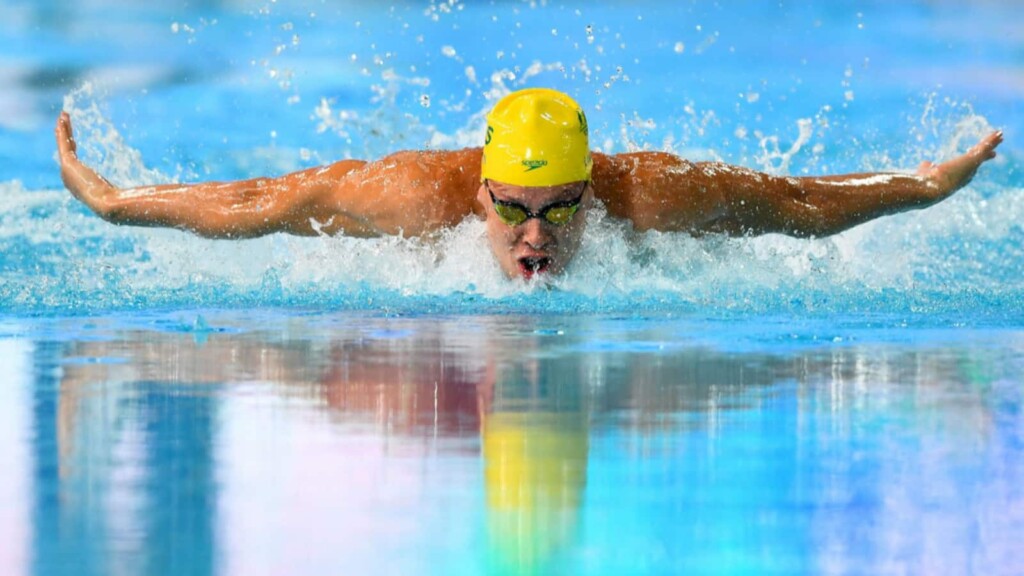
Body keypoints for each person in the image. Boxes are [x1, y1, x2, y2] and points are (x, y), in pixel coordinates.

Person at [56, 88, 1003, 280]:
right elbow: (265, 204)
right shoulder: (409, 195)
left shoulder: (654, 195)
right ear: (479, 193)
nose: (533, 238)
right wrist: (115, 202)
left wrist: (922, 186)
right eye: (511, 207)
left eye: (559, 210)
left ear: (593, 193)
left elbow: (797, 204)